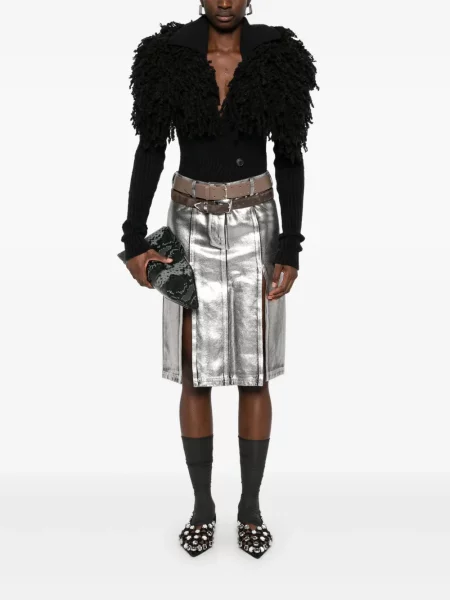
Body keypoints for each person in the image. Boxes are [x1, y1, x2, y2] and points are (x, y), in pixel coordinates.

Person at [120, 0, 318, 559]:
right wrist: (133, 239)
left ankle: (250, 507)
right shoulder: (168, 55)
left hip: (257, 223)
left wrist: (290, 245)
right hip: (188, 224)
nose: (225, 1)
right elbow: (150, 147)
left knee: (255, 373)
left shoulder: (277, 55)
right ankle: (203, 506)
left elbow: (290, 155)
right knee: (194, 371)